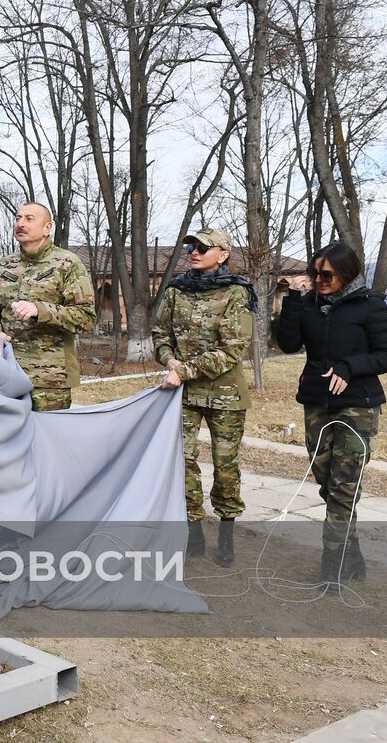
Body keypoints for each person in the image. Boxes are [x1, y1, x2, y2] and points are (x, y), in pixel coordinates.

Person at [275, 241, 387, 587]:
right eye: (315, 273)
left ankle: (331, 569)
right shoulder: (310, 304)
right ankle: (353, 557)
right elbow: (287, 344)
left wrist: (349, 367)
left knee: (344, 488)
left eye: (326, 274)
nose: (319, 280)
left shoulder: (369, 305)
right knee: (328, 484)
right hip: (317, 404)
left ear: (347, 273)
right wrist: (292, 301)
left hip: (358, 406)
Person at [154, 228, 256, 564]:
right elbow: (160, 334)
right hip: (182, 394)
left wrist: (182, 370)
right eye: (191, 247)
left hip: (224, 395)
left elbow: (231, 350)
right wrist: (168, 357)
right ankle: (193, 532)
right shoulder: (176, 291)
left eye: (202, 247)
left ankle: (226, 534)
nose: (194, 252)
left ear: (223, 254)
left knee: (226, 467)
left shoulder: (236, 293)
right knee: (181, 462)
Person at [0, 203, 96, 411]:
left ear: (47, 228)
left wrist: (39, 310)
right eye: (18, 218)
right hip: (7, 373)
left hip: (50, 380)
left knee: (49, 441)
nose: (20, 224)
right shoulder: (4, 265)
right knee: (7, 439)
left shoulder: (67, 263)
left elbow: (86, 317)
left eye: (29, 219)